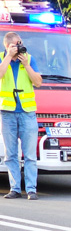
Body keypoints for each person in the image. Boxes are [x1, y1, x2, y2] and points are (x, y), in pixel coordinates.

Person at [0, 32, 41, 200]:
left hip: (27, 113)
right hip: (7, 113)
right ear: (8, 45)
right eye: (16, 44)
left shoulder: (30, 59)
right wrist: (8, 57)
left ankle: (31, 189)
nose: (20, 47)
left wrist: (27, 65)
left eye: (21, 43)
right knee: (10, 155)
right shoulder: (3, 60)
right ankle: (15, 188)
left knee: (30, 154)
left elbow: (38, 82)